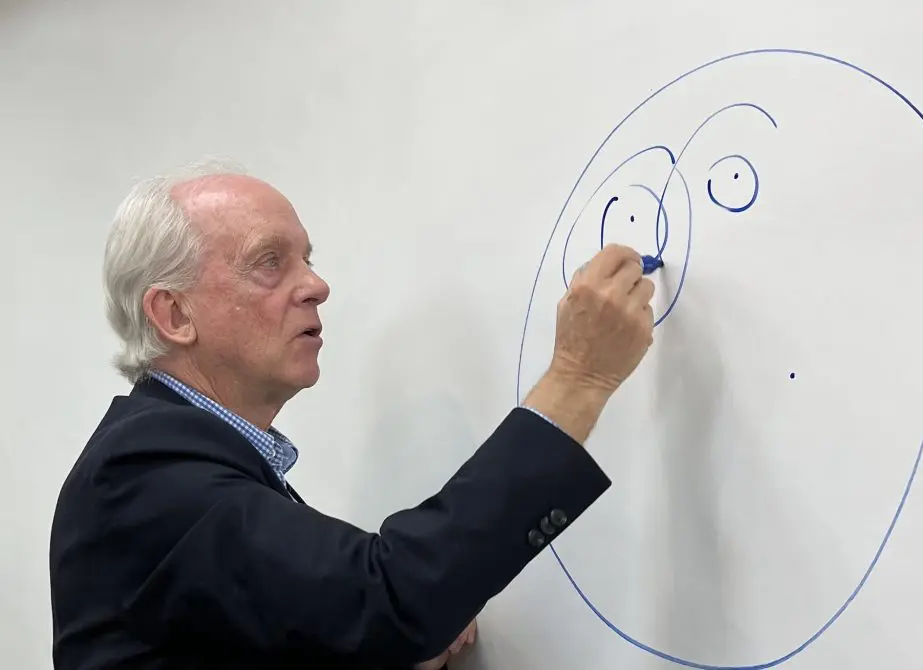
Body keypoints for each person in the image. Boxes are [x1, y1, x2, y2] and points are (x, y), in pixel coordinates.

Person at [48, 159, 657, 670]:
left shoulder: (192, 468)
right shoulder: (142, 472)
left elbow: (318, 628)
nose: (316, 285)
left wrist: (387, 647)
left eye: (307, 259)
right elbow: (388, 599)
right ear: (175, 315)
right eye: (269, 261)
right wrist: (579, 378)